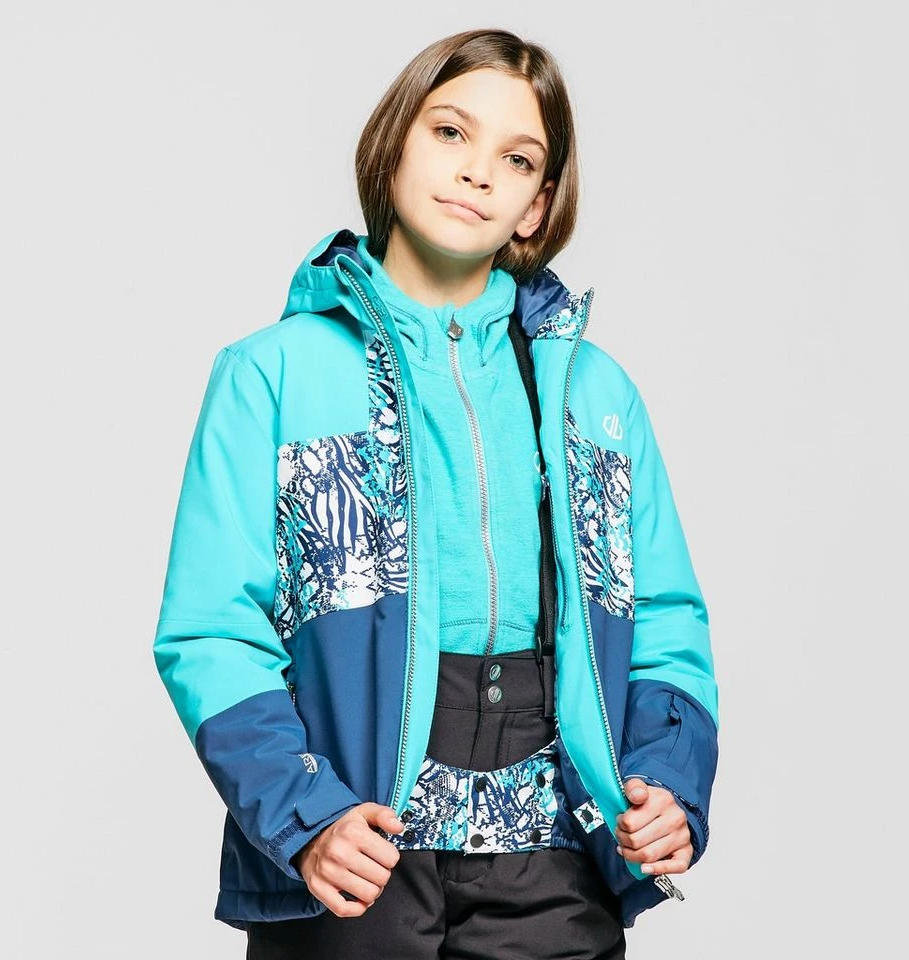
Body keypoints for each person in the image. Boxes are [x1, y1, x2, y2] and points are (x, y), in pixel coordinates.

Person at [153, 27, 719, 959]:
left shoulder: (596, 396)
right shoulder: (271, 376)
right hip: (357, 843)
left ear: (537, 206)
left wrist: (667, 778)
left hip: (555, 853)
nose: (477, 172)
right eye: (451, 132)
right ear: (395, 145)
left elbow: (663, 616)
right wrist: (305, 814)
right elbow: (212, 630)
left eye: (517, 158)